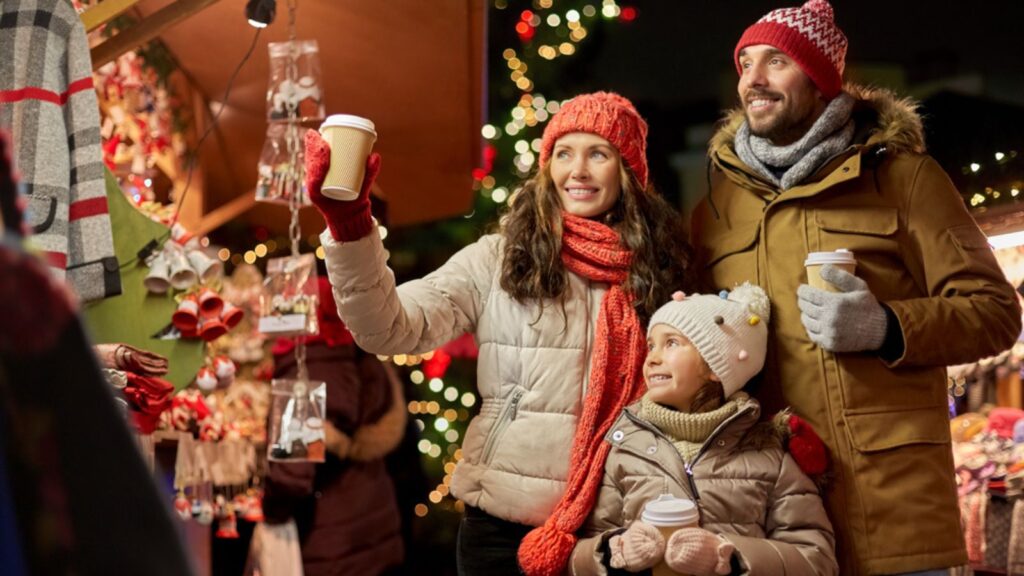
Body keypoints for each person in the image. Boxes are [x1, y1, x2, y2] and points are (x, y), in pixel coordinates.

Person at [691, 1, 1023, 574]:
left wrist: (885, 327)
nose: (755, 80)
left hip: (893, 513)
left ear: (820, 79)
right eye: (746, 63)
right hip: (772, 524)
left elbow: (995, 311)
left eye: (777, 62)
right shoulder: (717, 208)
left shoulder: (903, 177)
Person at [304, 91, 693, 576]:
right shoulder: (498, 259)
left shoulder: (659, 270)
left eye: (599, 154)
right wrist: (350, 226)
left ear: (628, 172)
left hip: (614, 530)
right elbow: (388, 328)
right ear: (546, 165)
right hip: (501, 529)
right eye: (564, 153)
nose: (579, 170)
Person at [570, 284, 837, 576]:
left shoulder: (770, 455)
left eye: (671, 343)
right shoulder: (624, 447)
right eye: (652, 345)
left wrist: (730, 558)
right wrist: (613, 551)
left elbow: (817, 560)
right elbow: (578, 554)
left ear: (715, 366)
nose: (652, 358)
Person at [262, 276, 408, 576]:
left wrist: (270, 510)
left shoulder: (304, 367)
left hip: (330, 541)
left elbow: (292, 475)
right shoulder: (360, 354)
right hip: (373, 522)